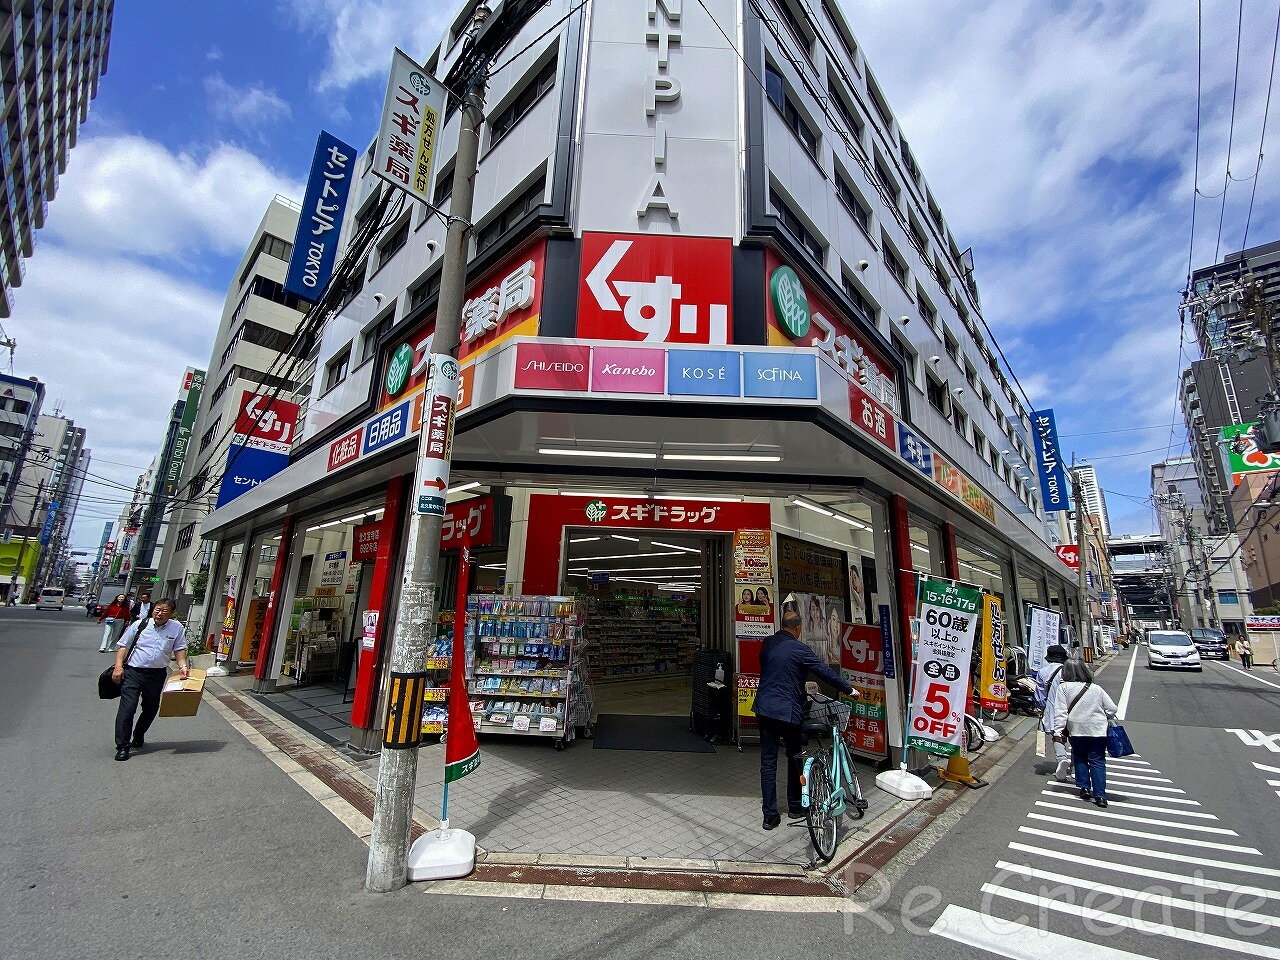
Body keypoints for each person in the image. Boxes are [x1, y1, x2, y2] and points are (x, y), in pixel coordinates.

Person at [753, 611, 854, 830]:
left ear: (782, 625)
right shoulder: (800, 649)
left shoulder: (768, 643)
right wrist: (849, 689)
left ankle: (769, 816)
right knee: (794, 757)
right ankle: (795, 805)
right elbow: (824, 671)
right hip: (788, 711)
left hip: (765, 709)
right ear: (798, 628)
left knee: (768, 762)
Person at [110, 598, 188, 761]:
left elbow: (179, 648)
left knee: (151, 708)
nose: (159, 614)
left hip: (157, 674)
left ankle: (139, 734)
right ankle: (123, 745)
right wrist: (118, 666)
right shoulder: (139, 625)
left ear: (171, 614)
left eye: (164, 611)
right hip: (133, 672)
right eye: (157, 610)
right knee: (128, 708)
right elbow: (124, 646)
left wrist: (182, 665)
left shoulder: (176, 628)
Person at [1052, 660, 1117, 808]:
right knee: (1097, 761)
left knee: (1080, 756)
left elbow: (1061, 712)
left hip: (1076, 729)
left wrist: (1058, 731)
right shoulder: (1096, 688)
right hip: (1098, 729)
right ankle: (1100, 796)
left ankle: (1084, 788)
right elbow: (1112, 708)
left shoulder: (1063, 688)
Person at [1036, 644, 1071, 780]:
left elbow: (1040, 694)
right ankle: (1076, 763)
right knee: (1074, 734)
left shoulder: (1042, 672)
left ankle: (1062, 758)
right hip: (1071, 706)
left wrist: (1041, 708)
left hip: (1053, 707)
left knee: (1057, 735)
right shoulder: (1069, 670)